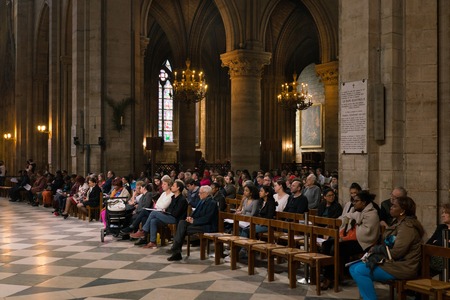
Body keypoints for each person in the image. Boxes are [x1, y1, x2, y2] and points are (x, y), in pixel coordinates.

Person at [350, 196, 424, 300]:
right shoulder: (398, 222)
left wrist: (377, 251)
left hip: (403, 267)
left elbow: (397, 252)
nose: (391, 207)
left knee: (359, 270)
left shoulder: (407, 227)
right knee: (353, 268)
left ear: (402, 210)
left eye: (394, 206)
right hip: (393, 262)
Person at [321, 190, 380, 290]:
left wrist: (344, 238)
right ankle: (329, 274)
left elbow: (365, 234)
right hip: (353, 240)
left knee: (336, 247)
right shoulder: (357, 212)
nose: (354, 203)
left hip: (364, 243)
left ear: (364, 202)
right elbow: (345, 217)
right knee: (326, 244)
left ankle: (330, 277)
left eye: (356, 201)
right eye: (353, 201)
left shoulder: (372, 214)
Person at [167, 185, 218, 261]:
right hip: (198, 224)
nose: (198, 194)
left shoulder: (212, 203)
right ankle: (176, 250)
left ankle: (176, 250)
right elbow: (195, 213)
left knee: (183, 229)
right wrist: (190, 217)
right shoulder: (201, 201)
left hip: (207, 226)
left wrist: (194, 221)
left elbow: (207, 218)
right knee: (182, 223)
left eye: (200, 193)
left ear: (207, 193)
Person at [134, 179, 188, 248]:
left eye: (173, 186)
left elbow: (176, 213)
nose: (172, 187)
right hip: (169, 215)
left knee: (154, 213)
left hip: (175, 219)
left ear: (178, 188)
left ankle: (144, 231)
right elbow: (169, 209)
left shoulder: (182, 200)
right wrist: (166, 211)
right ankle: (152, 242)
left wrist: (166, 212)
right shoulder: (173, 197)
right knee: (153, 221)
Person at [426, 203, 450, 275]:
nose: (442, 215)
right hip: (436, 259)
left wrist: (437, 242)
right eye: (442, 213)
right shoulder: (441, 227)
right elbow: (429, 243)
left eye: (445, 213)